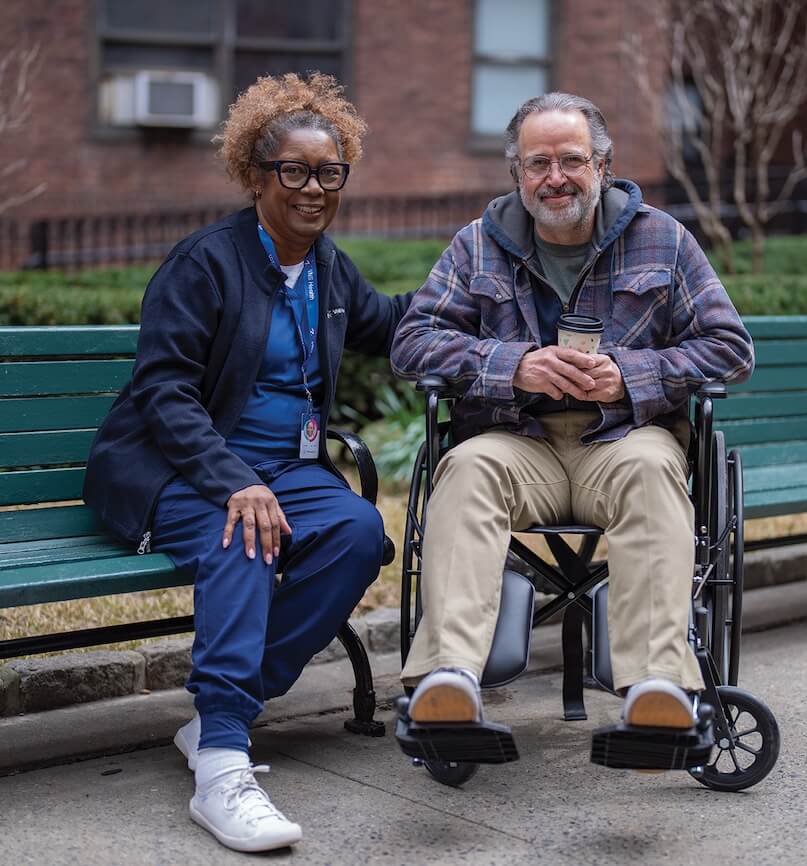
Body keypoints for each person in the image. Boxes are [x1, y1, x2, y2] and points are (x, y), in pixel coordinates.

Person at [84, 73, 412, 852]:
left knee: (360, 533)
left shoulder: (328, 268)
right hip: (180, 466)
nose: (312, 188)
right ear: (255, 175)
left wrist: (483, 294)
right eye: (292, 170)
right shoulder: (205, 263)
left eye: (329, 172)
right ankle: (224, 769)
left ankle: (217, 716)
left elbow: (391, 326)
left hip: (283, 466)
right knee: (250, 532)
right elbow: (164, 394)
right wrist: (237, 482)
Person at [391, 93, 754, 749]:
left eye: (570, 160)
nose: (554, 177)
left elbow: (730, 350)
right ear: (517, 176)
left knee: (651, 470)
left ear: (604, 165)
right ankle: (446, 683)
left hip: (623, 440)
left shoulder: (664, 239)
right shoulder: (476, 246)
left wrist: (631, 375)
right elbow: (412, 343)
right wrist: (514, 365)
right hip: (514, 443)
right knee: (466, 469)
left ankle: (657, 690)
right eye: (538, 163)